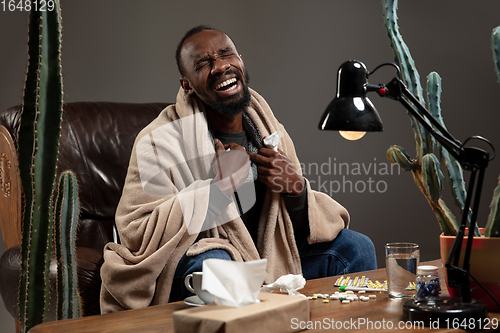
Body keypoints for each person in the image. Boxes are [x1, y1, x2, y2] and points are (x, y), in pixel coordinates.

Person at [100, 25, 376, 313]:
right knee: (219, 264)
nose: (220, 66)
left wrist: (297, 192)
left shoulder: (269, 129)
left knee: (356, 248)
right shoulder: (158, 141)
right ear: (187, 85)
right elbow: (136, 232)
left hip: (267, 260)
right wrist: (218, 189)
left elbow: (285, 228)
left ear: (240, 61)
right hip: (198, 265)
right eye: (203, 64)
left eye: (226, 54)